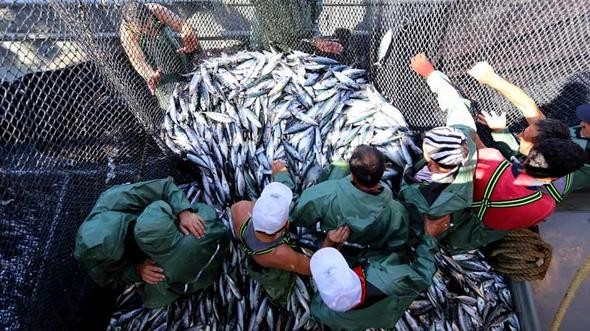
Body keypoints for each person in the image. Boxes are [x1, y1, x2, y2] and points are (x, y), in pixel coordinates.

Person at [74, 177, 229, 308]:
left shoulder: (114, 198)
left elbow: (165, 186)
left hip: (159, 228)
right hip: (149, 257)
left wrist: (184, 212)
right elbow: (112, 279)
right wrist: (137, 270)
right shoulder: (91, 258)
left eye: (125, 234)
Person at [401, 53, 487, 253]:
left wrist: (425, 232)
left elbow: (414, 230)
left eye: (428, 155)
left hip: (451, 234)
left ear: (432, 165)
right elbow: (454, 104)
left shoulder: (432, 204)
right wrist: (430, 74)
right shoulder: (462, 138)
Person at [469, 62, 590, 200]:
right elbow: (529, 109)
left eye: (524, 135)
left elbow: (503, 162)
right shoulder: (564, 146)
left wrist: (498, 132)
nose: (519, 135)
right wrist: (491, 79)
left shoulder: (529, 182)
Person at [308, 217, 448, 330]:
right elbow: (422, 275)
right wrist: (430, 238)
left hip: (380, 319)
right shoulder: (392, 280)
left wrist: (330, 242)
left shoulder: (320, 311)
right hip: (392, 302)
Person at [289, 144, 409, 262]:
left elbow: (294, 212)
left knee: (333, 168)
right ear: (383, 172)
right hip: (365, 257)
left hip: (327, 244)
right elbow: (396, 245)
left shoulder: (326, 194)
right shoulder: (397, 212)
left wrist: (282, 176)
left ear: (352, 174)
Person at [230, 161, 310, 305]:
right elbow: (310, 268)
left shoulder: (240, 210)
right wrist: (330, 242)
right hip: (266, 260)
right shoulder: (279, 254)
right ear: (286, 224)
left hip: (251, 245)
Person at [120, 2, 199, 110]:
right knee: (172, 104)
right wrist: (150, 74)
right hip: (155, 67)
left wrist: (188, 35)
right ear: (131, 26)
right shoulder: (126, 33)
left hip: (171, 50)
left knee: (189, 81)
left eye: (149, 25)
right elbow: (138, 60)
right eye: (142, 30)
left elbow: (181, 25)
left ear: (148, 13)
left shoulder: (156, 9)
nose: (149, 31)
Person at [249, 0, 343, 55]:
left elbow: (309, 23)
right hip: (266, 50)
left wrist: (317, 40)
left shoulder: (305, 10)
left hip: (295, 53)